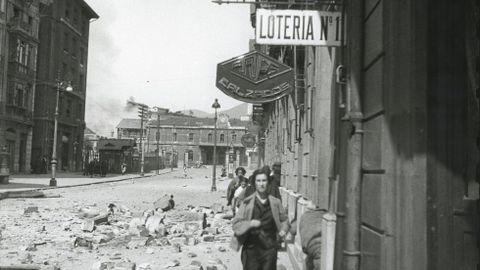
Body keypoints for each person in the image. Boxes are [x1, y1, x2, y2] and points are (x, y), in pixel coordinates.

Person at [232, 167, 290, 270]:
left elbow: (284, 220)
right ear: (254, 183)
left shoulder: (276, 203)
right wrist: (249, 224)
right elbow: (236, 225)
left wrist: (283, 230)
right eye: (258, 181)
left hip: (270, 250)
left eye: (264, 180)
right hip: (251, 249)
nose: (261, 183)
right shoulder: (247, 203)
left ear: (268, 182)